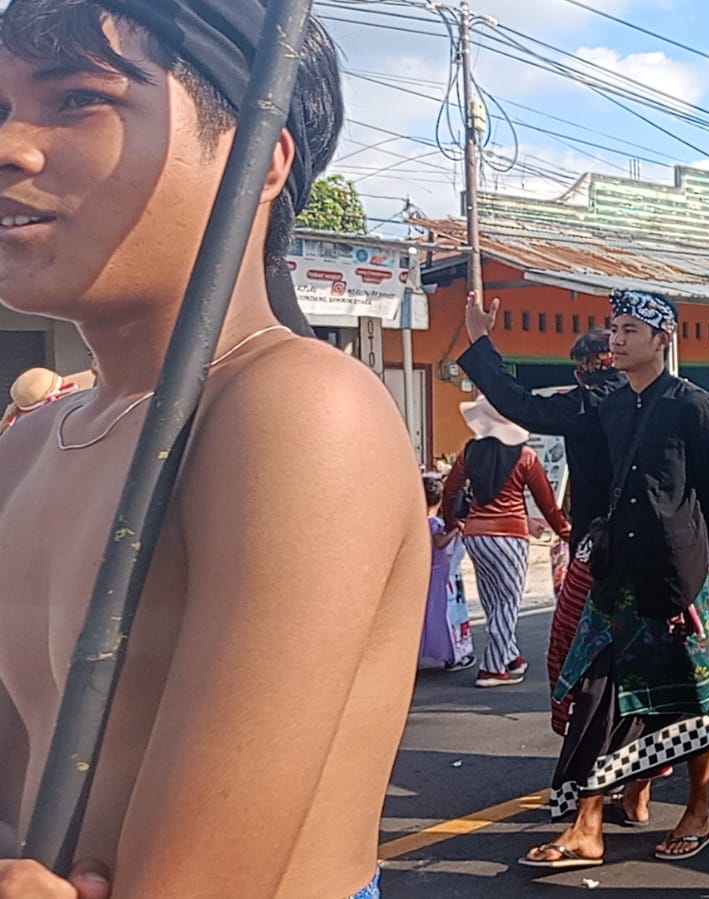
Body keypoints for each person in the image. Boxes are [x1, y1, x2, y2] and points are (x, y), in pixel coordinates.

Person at [0, 2, 423, 897]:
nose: (11, 146)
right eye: (0, 110)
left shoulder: (295, 409)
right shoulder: (30, 443)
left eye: (77, 99)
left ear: (257, 158)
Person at [522, 289, 709, 869]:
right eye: (613, 329)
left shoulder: (694, 405)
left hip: (676, 577)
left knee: (688, 696)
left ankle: (698, 811)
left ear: (663, 339)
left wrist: (698, 577)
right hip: (618, 575)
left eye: (630, 330)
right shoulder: (612, 406)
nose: (616, 339)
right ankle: (587, 825)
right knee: (596, 691)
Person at [456, 323, 626, 733]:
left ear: (580, 374)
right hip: (653, 547)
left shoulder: (582, 407)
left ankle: (583, 728)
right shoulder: (665, 401)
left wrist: (481, 340)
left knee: (569, 641)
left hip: (582, 546)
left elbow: (517, 403)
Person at [441, 401, 570, 687]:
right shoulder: (525, 456)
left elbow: (450, 491)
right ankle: (493, 668)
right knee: (508, 603)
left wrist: (451, 522)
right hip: (510, 536)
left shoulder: (470, 452)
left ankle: (510, 656)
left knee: (492, 600)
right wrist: (565, 532)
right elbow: (547, 503)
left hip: (475, 535)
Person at [421, 473, 473, 672]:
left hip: (429, 574)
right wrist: (455, 531)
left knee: (429, 616)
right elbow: (440, 543)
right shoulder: (434, 524)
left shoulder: (420, 523)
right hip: (443, 576)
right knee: (447, 616)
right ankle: (453, 654)